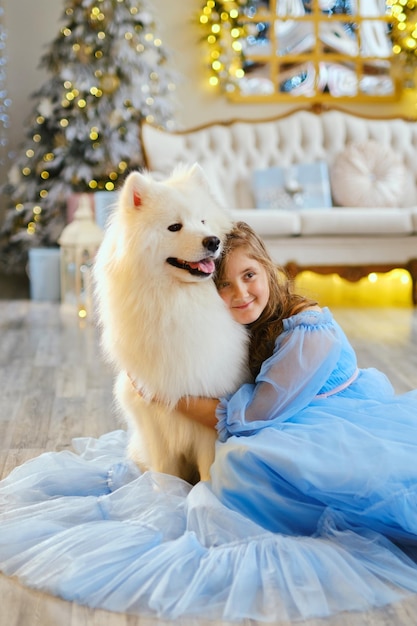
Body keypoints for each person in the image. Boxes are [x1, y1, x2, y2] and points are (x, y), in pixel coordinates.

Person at [1, 221, 417, 623]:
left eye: (249, 275)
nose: (239, 293)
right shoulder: (246, 324)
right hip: (289, 414)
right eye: (223, 285)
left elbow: (254, 415)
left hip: (328, 420)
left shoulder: (309, 332)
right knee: (229, 457)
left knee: (240, 462)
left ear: (269, 270)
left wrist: (166, 393)